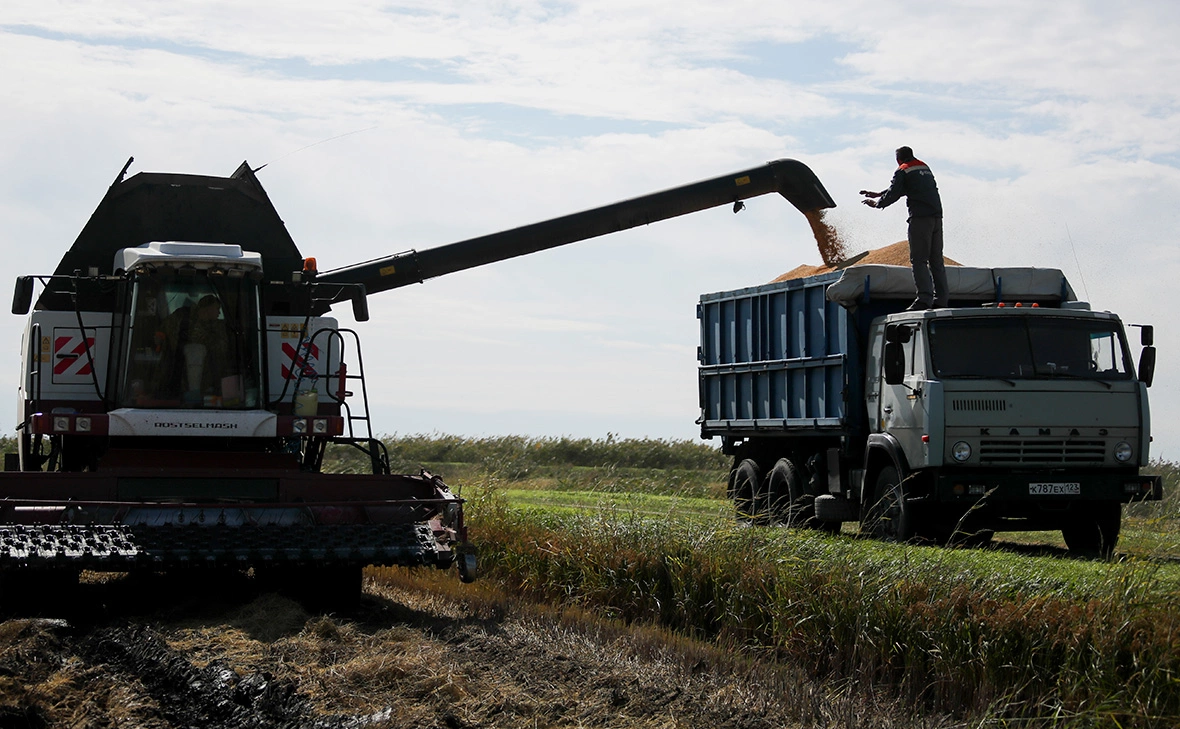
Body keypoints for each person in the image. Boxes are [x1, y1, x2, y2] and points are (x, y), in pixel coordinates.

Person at [860, 147, 948, 310]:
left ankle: (924, 299)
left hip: (920, 219)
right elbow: (907, 187)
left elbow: (895, 192)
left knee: (919, 260)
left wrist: (878, 204)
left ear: (898, 159)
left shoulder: (902, 170)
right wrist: (879, 193)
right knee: (936, 260)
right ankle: (941, 299)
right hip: (936, 217)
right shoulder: (923, 167)